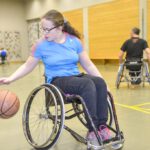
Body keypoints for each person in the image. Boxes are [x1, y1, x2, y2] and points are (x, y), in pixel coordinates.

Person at [0, 10, 111, 146]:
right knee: (86, 84)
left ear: (59, 27)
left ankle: (101, 127)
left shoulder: (74, 41)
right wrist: (11, 78)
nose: (44, 33)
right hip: (56, 81)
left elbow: (88, 64)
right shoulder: (41, 45)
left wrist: (105, 83)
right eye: (43, 29)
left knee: (99, 82)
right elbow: (28, 66)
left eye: (47, 29)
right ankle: (92, 130)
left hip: (75, 76)